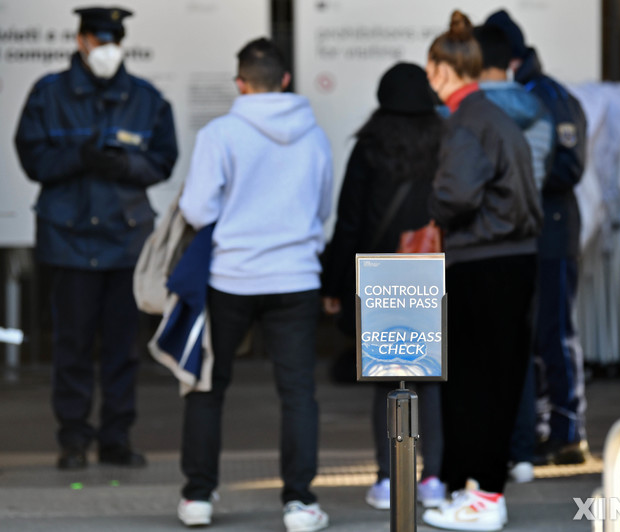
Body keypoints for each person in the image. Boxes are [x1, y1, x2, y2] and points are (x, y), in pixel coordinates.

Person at [176, 38, 333, 532]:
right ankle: (299, 503)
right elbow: (323, 211)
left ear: (240, 83)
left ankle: (198, 497)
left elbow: (197, 210)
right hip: (296, 277)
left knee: (207, 386)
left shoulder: (220, 133)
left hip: (231, 277)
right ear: (286, 79)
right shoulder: (315, 135)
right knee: (297, 393)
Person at [14, 6, 178, 470]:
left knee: (123, 350)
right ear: (81, 40)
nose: (107, 48)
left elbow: (163, 160)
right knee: (71, 347)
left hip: (125, 242)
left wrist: (122, 165)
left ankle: (115, 438)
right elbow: (33, 160)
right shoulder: (48, 95)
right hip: (68, 241)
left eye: (114, 40)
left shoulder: (145, 98)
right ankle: (72, 439)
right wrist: (78, 157)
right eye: (99, 39)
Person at [421, 11, 542, 531]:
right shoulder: (493, 116)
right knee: (493, 377)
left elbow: (456, 196)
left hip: (483, 260)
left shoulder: (466, 121)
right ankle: (479, 490)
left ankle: (483, 496)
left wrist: (435, 209)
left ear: (440, 69)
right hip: (510, 256)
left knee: (477, 382)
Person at [321, 62, 446, 510]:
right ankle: (432, 478)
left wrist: (335, 282)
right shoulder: (446, 142)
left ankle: (389, 478)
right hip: (433, 267)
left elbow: (350, 222)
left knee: (387, 380)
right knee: (430, 380)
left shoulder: (370, 147)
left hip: (381, 270)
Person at [484, 9, 590, 466]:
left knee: (554, 335)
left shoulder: (548, 97)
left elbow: (569, 166)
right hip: (518, 234)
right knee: (520, 338)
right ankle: (535, 431)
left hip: (551, 233)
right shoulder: (508, 96)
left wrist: (513, 175)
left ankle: (568, 432)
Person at [472, 23, 555, 484]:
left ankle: (484, 455)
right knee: (517, 352)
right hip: (524, 241)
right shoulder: (538, 113)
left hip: (473, 245)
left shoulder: (462, 114)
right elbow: (538, 177)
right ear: (512, 63)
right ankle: (522, 452)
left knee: (473, 357)